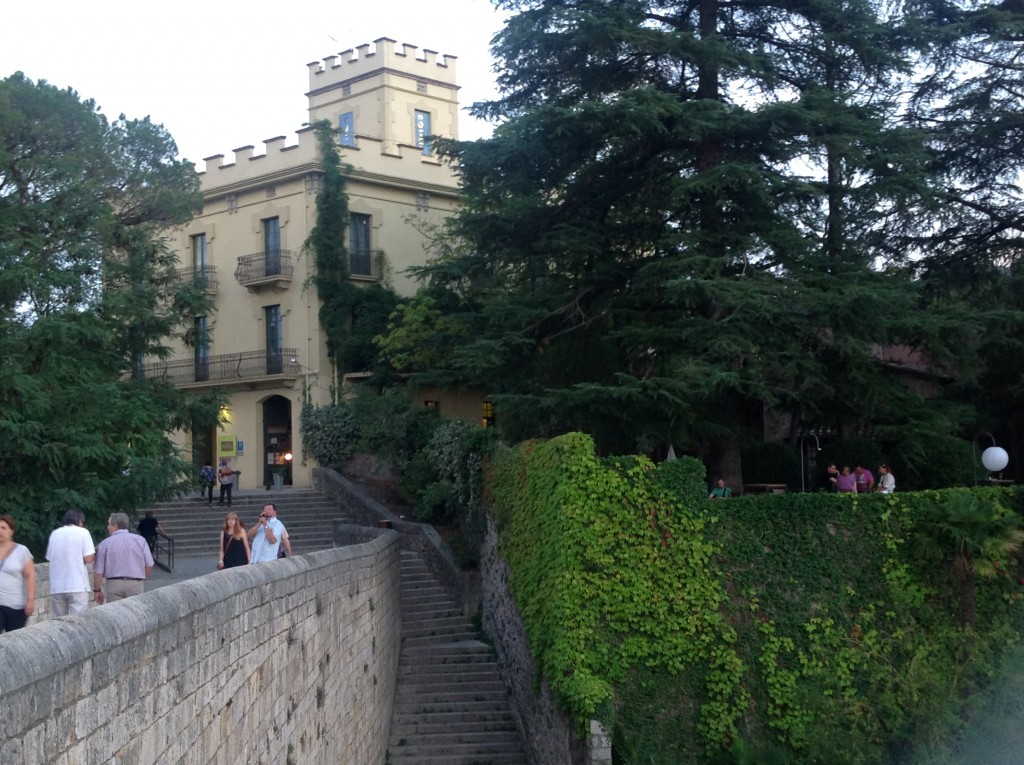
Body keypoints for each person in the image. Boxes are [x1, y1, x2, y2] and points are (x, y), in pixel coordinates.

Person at [92, 512, 154, 604]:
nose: (107, 527)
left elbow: (98, 572)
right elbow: (150, 564)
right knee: (136, 614)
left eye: (109, 524)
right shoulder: (140, 541)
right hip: (135, 583)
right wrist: (142, 577)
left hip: (114, 584)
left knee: (115, 615)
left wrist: (97, 590)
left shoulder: (105, 543)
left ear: (115, 526)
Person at [45, 508, 96, 617]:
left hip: (57, 587)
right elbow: (88, 558)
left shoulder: (54, 534)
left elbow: (49, 557)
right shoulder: (83, 532)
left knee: (59, 624)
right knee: (77, 623)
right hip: (77, 585)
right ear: (80, 521)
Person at [0, 515, 36, 632]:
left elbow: (29, 576)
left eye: (3, 528)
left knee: (14, 638)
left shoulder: (22, 551)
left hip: (15, 605)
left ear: (11, 531)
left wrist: (30, 600)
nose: (0, 531)